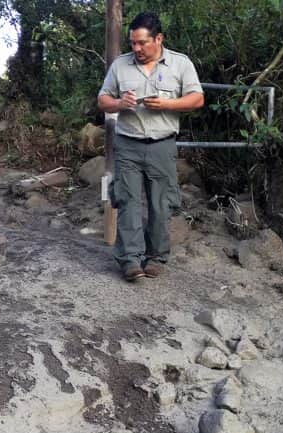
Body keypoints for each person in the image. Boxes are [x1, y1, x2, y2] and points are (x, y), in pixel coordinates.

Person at [97, 11, 204, 282]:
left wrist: (168, 104)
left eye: (142, 43)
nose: (136, 48)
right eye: (133, 43)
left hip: (162, 146)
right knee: (127, 201)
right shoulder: (121, 65)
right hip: (128, 144)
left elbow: (197, 99)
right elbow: (103, 100)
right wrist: (120, 103)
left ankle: (155, 257)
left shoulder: (180, 64)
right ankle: (130, 261)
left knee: (161, 204)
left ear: (158, 39)